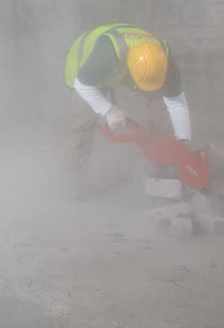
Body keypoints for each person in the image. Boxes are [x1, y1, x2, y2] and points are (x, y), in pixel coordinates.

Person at [62, 23, 192, 199]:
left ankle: (165, 161)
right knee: (83, 121)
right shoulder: (106, 54)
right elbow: (83, 85)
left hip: (123, 64)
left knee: (160, 101)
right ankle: (74, 182)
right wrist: (109, 111)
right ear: (130, 69)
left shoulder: (164, 59)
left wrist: (182, 142)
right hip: (84, 69)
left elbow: (176, 101)